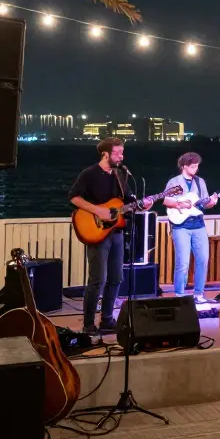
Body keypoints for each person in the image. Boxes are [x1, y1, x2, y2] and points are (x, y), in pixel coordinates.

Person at [69, 137, 153, 336]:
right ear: (105, 154)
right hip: (96, 231)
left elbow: (128, 200)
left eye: (122, 152)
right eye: (117, 153)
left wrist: (144, 203)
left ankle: (107, 319)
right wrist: (98, 211)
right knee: (97, 278)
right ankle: (88, 323)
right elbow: (74, 197)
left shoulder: (121, 174)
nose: (121, 156)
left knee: (116, 277)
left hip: (116, 232)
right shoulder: (89, 174)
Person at [164, 152, 220, 304]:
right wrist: (179, 204)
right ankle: (179, 294)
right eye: (193, 166)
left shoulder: (200, 182)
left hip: (198, 224)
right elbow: (166, 200)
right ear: (184, 166)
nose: (196, 168)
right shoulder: (174, 181)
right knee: (182, 262)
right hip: (180, 225)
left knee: (203, 259)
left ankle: (199, 294)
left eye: (197, 166)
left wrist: (212, 202)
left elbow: (204, 203)